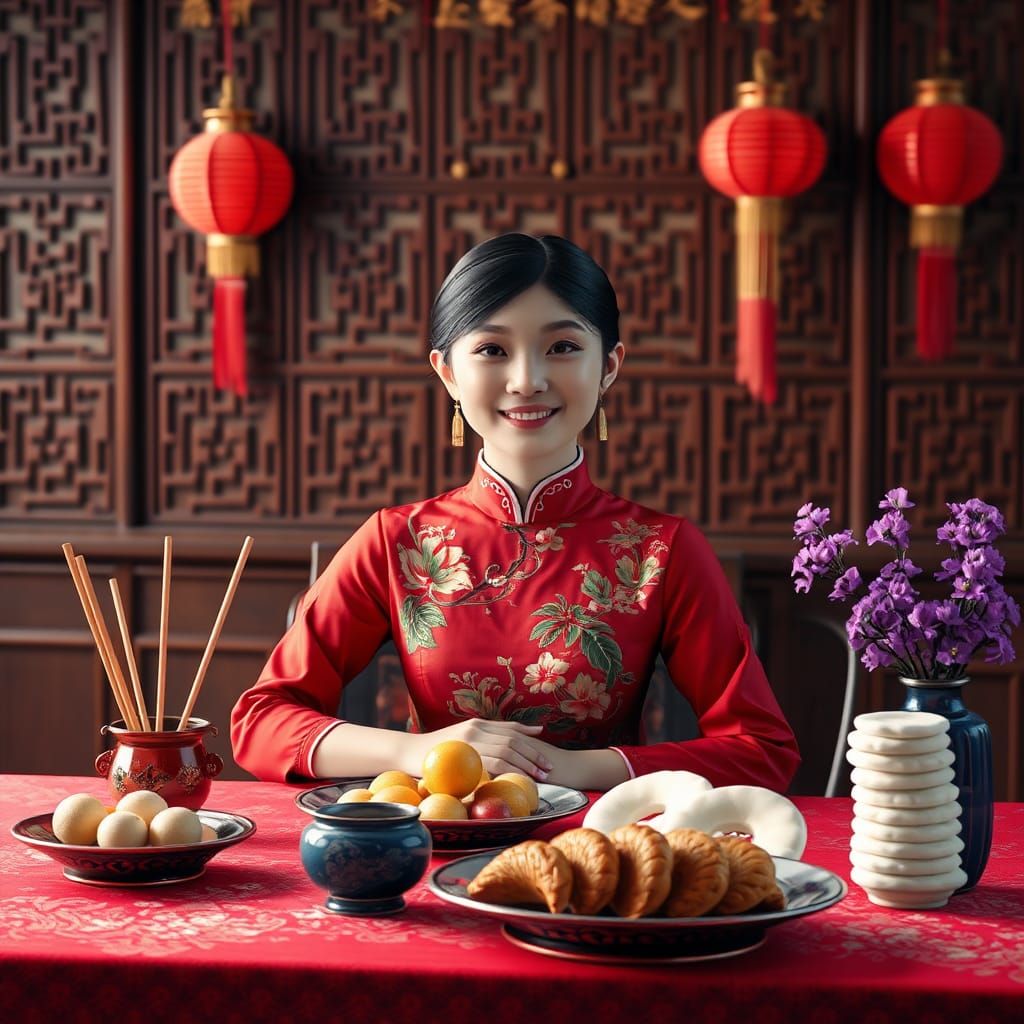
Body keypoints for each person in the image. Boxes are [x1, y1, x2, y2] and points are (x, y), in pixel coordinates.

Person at [231, 234, 799, 792]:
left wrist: (575, 768)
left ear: (609, 366)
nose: (527, 380)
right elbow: (261, 721)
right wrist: (419, 752)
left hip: (601, 838)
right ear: (448, 373)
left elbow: (762, 751)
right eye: (492, 350)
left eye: (563, 347)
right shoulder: (398, 540)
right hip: (436, 833)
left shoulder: (660, 550)